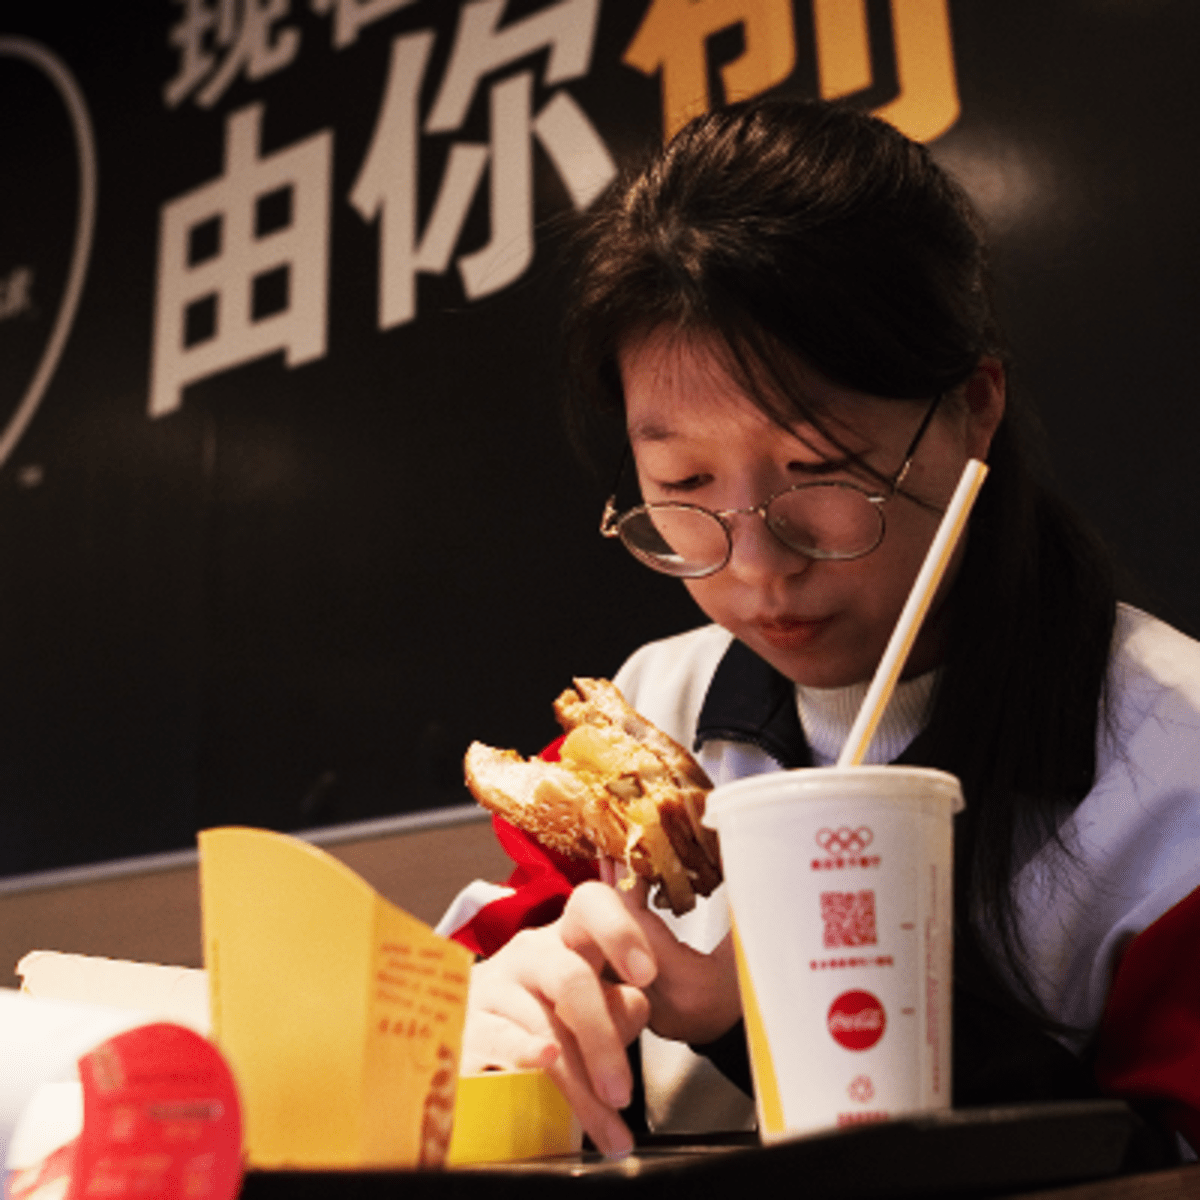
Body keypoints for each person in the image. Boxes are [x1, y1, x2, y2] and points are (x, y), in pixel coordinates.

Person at [440, 99, 1200, 1161]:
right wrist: (491, 1035)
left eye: (821, 468)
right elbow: (457, 1002)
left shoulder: (1170, 769)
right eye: (683, 482)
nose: (758, 564)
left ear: (975, 409)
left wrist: (758, 1010)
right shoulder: (649, 719)